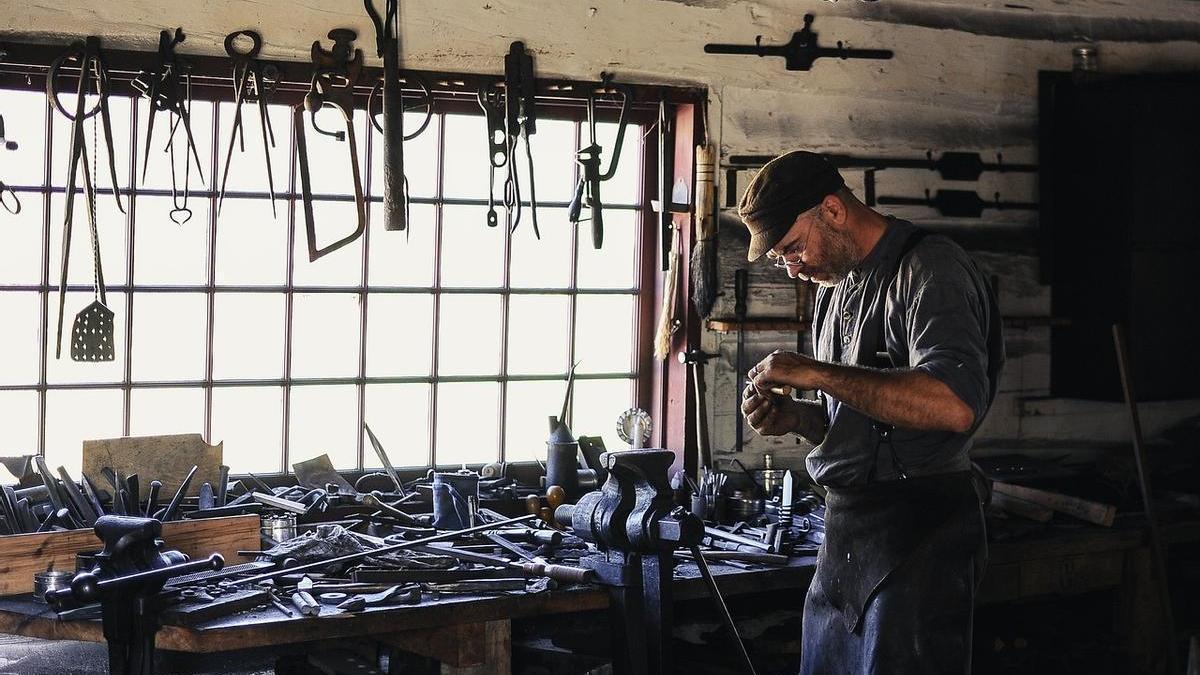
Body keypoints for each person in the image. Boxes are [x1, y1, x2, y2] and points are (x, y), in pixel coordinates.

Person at [737, 151, 1004, 674]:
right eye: (779, 260)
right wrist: (800, 420)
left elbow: (952, 406)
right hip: (848, 535)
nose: (792, 267)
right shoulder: (839, 291)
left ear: (832, 211)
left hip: (920, 532)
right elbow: (861, 423)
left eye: (792, 248)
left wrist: (814, 372)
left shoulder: (930, 268)